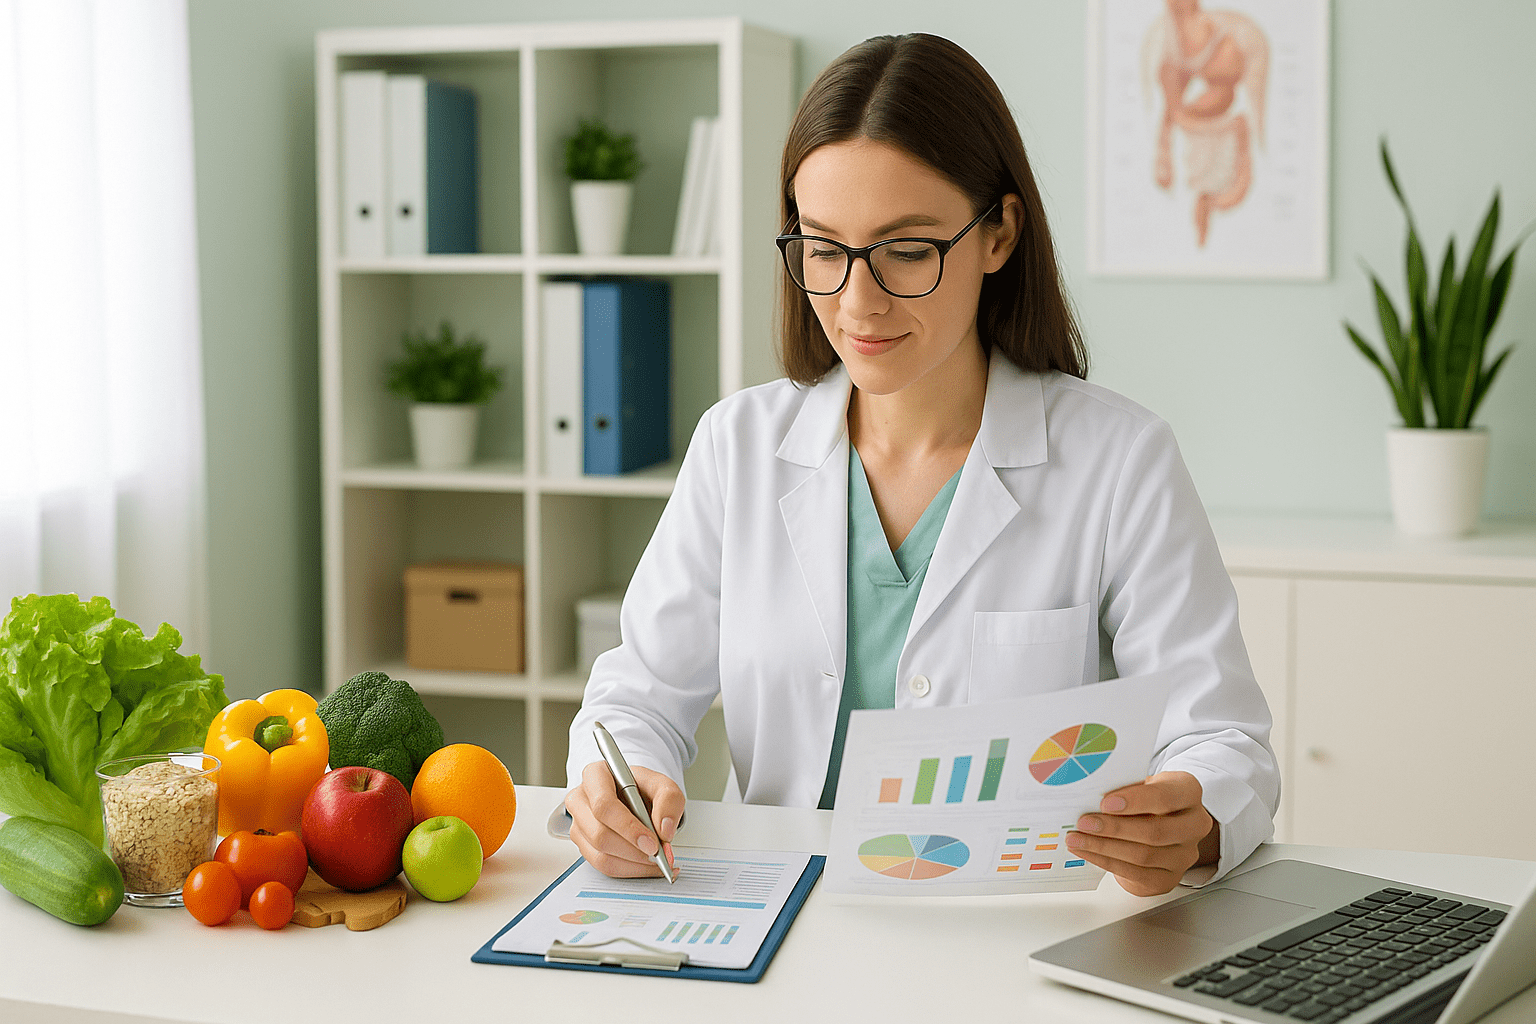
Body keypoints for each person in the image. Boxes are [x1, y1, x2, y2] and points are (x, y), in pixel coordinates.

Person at [564, 32, 1278, 898]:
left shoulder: (1119, 461)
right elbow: (635, 697)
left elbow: (1222, 737)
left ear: (999, 233)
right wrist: (620, 779)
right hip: (773, 920)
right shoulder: (738, 447)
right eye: (823, 249)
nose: (857, 302)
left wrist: (1191, 817)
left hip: (1005, 938)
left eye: (906, 250)